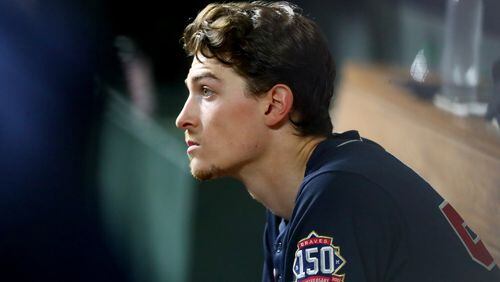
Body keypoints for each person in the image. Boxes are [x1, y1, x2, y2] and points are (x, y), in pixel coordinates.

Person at [175, 1, 500, 281]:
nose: (183, 118)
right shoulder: (289, 203)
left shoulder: (337, 194)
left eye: (207, 92)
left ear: (274, 105)